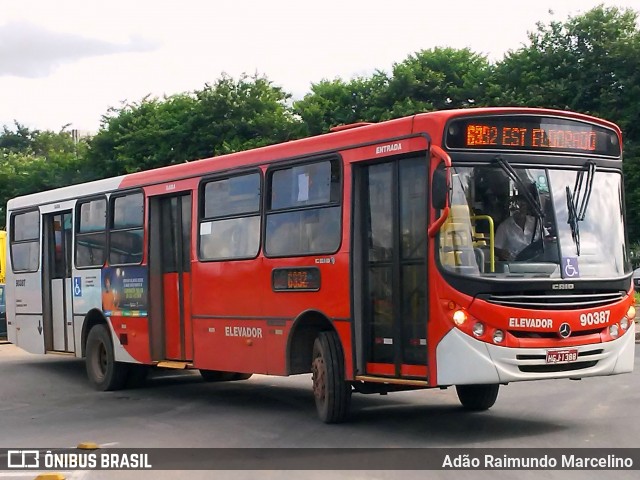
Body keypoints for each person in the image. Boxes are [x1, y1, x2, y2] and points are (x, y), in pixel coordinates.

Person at [495, 195, 540, 261]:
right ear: (512, 209)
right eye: (517, 207)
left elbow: (546, 240)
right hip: (515, 265)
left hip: (537, 263)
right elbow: (496, 248)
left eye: (523, 205)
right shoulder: (504, 227)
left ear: (527, 207)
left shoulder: (537, 222)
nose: (520, 209)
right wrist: (501, 253)